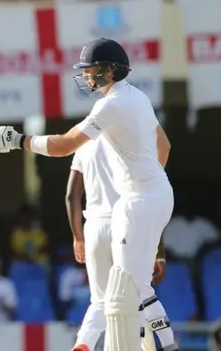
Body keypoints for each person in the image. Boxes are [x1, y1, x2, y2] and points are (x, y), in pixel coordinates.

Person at [0, 38, 177, 351]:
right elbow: (163, 146)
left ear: (110, 71)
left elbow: (64, 145)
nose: (86, 75)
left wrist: (19, 140)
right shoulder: (138, 96)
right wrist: (146, 181)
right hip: (158, 193)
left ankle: (164, 346)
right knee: (135, 286)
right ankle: (163, 345)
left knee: (129, 286)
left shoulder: (110, 105)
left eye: (92, 69)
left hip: (136, 203)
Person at [65, 136, 167, 351]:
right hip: (126, 222)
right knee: (138, 295)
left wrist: (77, 237)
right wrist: (159, 252)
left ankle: (84, 342)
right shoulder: (132, 142)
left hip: (93, 226)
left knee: (99, 301)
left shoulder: (84, 144)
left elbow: (71, 195)